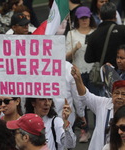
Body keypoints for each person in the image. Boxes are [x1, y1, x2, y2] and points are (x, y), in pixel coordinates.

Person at [71, 65, 125, 150]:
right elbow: (85, 96)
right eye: (116, 93)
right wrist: (78, 79)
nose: (119, 97)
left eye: (123, 94)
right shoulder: (103, 103)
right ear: (112, 94)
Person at [66, 6, 96, 143]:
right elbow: (65, 56)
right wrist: (74, 49)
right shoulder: (71, 34)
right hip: (78, 73)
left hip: (93, 73)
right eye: (82, 18)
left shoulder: (96, 32)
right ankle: (84, 130)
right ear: (77, 19)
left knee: (95, 102)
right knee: (81, 103)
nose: (85, 20)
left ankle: (98, 130)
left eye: (87, 17)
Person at [85, 2, 125, 68]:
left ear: (100, 16)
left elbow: (88, 59)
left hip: (104, 73)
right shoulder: (123, 30)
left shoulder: (93, 35)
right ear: (115, 15)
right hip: (121, 72)